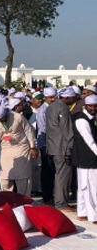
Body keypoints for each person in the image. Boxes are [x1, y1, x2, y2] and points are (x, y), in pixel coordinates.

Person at [0, 104, 37, 196]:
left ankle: (23, 200)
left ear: (6, 113)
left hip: (22, 148)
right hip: (6, 150)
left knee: (22, 178)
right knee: (5, 178)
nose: (2, 120)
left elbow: (29, 130)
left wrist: (32, 147)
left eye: (3, 118)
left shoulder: (18, 117)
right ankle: (8, 199)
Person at [46, 88, 77, 212]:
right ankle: (61, 203)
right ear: (67, 98)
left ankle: (59, 200)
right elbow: (67, 130)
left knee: (59, 175)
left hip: (53, 146)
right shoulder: (63, 109)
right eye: (73, 97)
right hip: (62, 147)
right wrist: (70, 147)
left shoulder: (51, 107)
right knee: (63, 176)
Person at [72, 94, 97, 222]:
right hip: (87, 158)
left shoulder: (90, 119)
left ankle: (82, 212)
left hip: (87, 158)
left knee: (85, 187)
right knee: (90, 188)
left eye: (95, 106)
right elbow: (90, 142)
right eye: (91, 106)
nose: (93, 108)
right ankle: (94, 216)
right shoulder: (82, 120)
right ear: (85, 106)